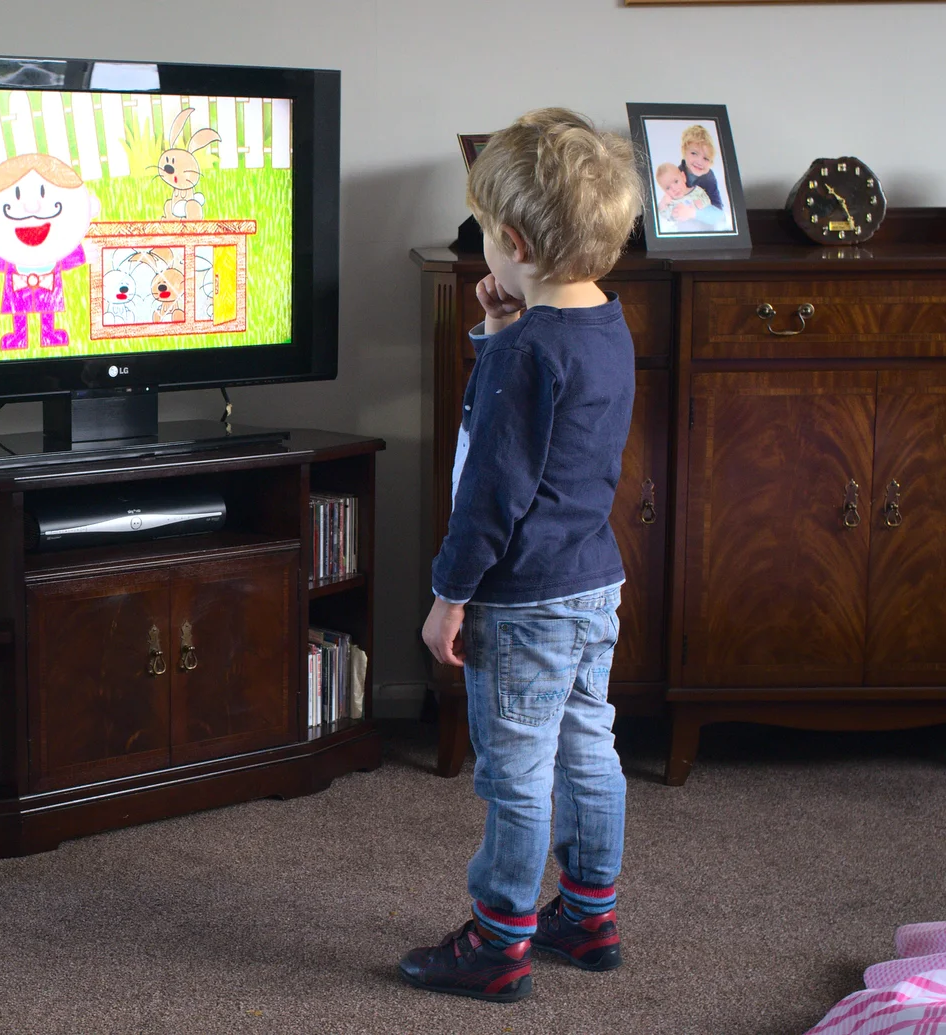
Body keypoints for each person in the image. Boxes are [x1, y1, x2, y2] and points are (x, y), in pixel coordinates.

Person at [400, 108, 642, 1003]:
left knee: (514, 771)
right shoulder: (602, 325)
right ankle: (589, 913)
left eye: (485, 242)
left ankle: (499, 939)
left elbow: (490, 490)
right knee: (588, 748)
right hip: (591, 583)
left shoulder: (525, 354)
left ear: (510, 241)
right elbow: (548, 440)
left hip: (522, 595)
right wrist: (500, 330)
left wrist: (448, 593)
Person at [0, 153, 100, 350]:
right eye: (17, 195)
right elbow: (1, 262)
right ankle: (19, 338)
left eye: (44, 193)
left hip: (49, 283)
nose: (32, 207)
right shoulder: (9, 252)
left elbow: (64, 261)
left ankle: (49, 335)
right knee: (19, 313)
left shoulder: (58, 249)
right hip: (18, 284)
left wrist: (82, 254)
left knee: (48, 312)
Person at [654, 161, 722, 233]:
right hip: (685, 232)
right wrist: (663, 205)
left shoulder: (696, 191)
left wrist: (701, 203)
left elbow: (707, 200)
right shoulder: (672, 202)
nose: (674, 188)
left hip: (703, 226)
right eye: (668, 188)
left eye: (676, 181)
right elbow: (665, 216)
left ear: (683, 177)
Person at [679, 123, 724, 210]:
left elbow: (717, 205)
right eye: (694, 153)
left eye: (706, 158)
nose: (699, 162)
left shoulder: (709, 177)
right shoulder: (677, 173)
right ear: (684, 151)